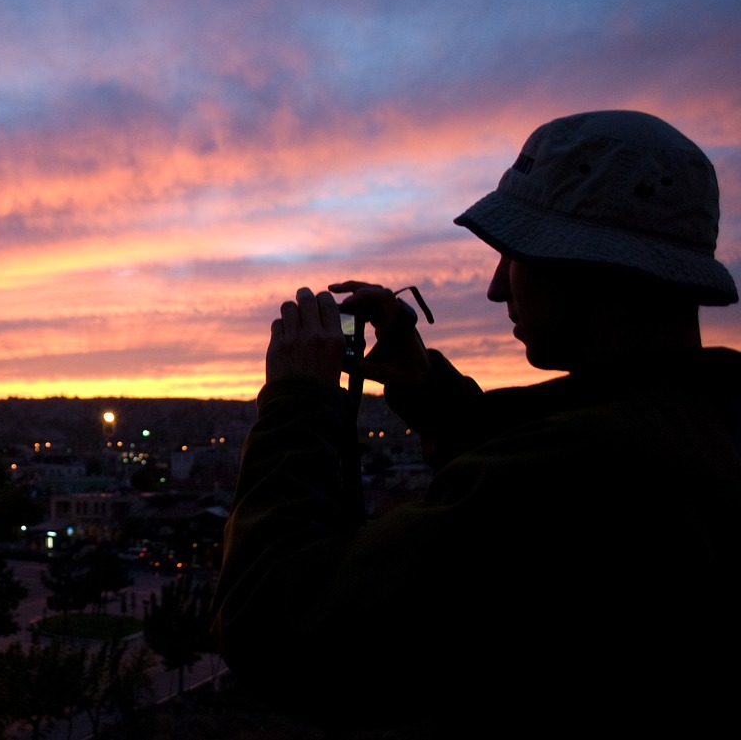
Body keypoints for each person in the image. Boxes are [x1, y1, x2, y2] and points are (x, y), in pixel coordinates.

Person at [210, 110, 741, 738]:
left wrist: (296, 401)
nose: (494, 289)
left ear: (588, 267)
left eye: (513, 256)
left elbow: (272, 619)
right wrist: (426, 388)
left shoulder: (579, 473)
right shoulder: (703, 422)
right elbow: (553, 460)